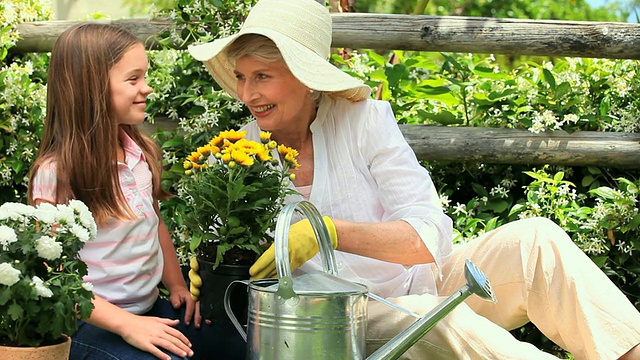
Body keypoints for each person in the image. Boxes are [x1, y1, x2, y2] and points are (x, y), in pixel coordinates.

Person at [187, 0, 640, 358]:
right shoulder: (238, 154)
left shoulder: (364, 121)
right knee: (431, 316)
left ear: (306, 78)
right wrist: (208, 264)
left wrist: (330, 232)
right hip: (335, 321)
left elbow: (427, 236)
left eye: (262, 77)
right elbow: (232, 260)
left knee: (534, 241)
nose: (248, 95)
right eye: (242, 78)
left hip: (417, 282)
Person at [27, 23, 245, 360]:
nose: (147, 88)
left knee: (236, 344)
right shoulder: (56, 172)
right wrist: (126, 324)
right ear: (91, 88)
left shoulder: (138, 152)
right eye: (133, 79)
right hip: (86, 323)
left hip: (148, 308)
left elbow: (154, 223)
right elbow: (52, 276)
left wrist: (176, 287)